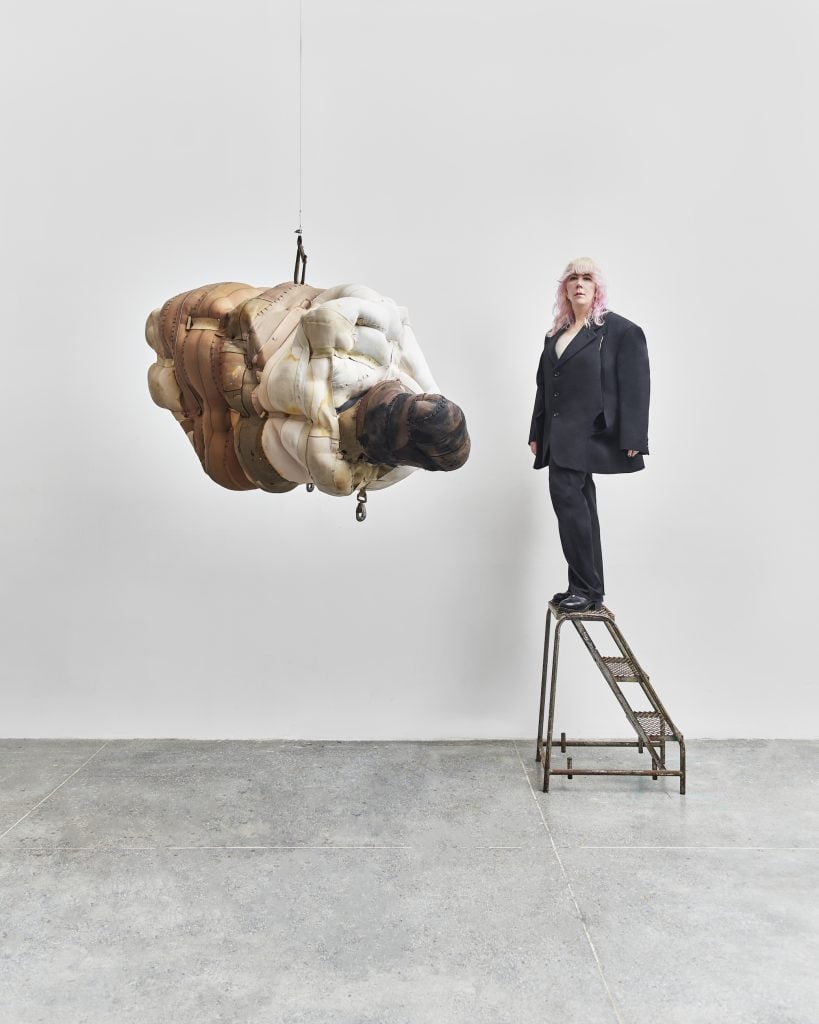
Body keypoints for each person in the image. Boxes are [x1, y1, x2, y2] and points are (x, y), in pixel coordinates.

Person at [528, 257, 650, 612]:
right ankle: (585, 586)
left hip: (590, 432)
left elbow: (636, 386)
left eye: (587, 279)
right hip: (558, 435)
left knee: (569, 503)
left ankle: (587, 587)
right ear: (564, 288)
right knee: (581, 508)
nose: (579, 284)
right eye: (573, 278)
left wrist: (634, 437)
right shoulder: (556, 333)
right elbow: (544, 386)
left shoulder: (619, 331)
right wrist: (538, 430)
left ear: (597, 289)